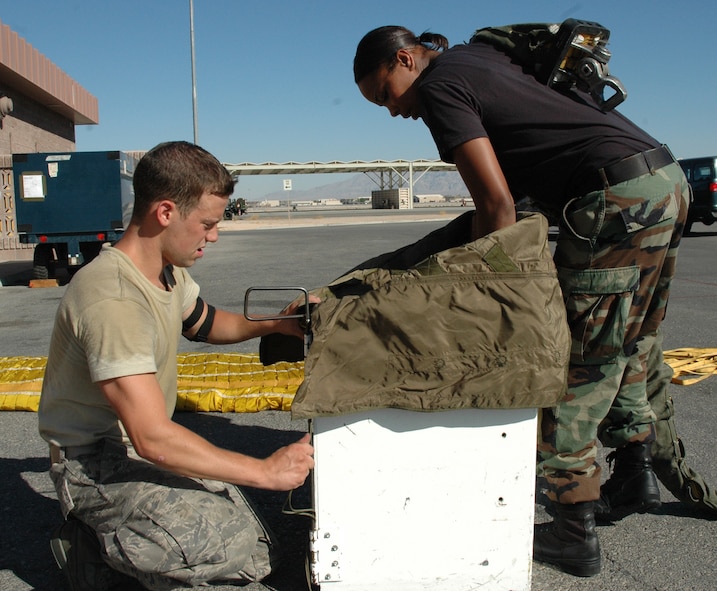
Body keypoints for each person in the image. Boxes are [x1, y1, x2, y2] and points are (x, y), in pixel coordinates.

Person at [352, 24, 713, 578]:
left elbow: (495, 207)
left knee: (577, 360)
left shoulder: (441, 89)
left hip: (613, 199)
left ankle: (573, 531)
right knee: (630, 341)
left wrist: (473, 292)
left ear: (405, 59)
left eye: (384, 94)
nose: (392, 110)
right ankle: (635, 470)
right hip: (662, 179)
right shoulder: (477, 59)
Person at [38, 141, 315, 590]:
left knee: (258, 550)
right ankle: (90, 552)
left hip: (138, 449)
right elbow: (150, 437)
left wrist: (277, 324)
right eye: (206, 224)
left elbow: (206, 322)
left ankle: (132, 547)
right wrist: (265, 471)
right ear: (165, 212)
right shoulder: (113, 297)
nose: (214, 235)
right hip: (94, 463)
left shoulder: (165, 270)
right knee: (215, 547)